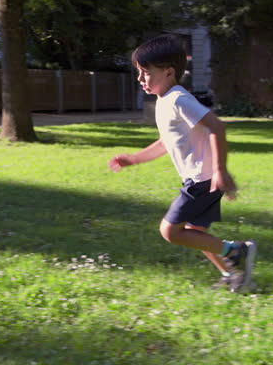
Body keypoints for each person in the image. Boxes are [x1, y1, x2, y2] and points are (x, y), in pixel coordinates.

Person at [109, 35, 257, 292]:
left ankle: (237, 250)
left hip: (203, 179)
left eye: (145, 73)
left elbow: (216, 127)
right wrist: (133, 159)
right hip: (200, 178)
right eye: (138, 73)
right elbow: (166, 142)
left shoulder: (178, 99)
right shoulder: (164, 101)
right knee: (195, 233)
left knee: (170, 231)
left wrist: (221, 171)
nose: (140, 79)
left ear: (168, 72)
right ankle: (232, 274)